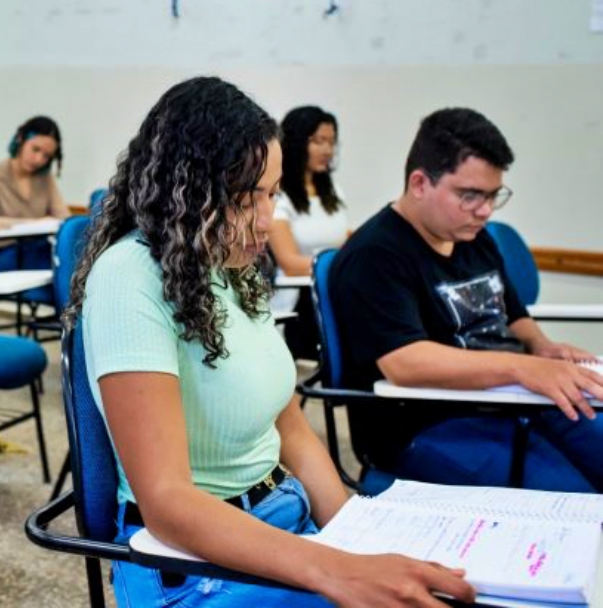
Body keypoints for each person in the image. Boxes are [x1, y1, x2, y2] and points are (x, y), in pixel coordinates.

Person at [64, 76, 475, 607]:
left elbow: (290, 425)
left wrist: (355, 534)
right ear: (184, 192)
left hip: (281, 522)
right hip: (190, 564)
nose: (266, 220)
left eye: (272, 193)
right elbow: (167, 502)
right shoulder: (129, 276)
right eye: (242, 198)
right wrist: (336, 570)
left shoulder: (229, 263)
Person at [330, 107, 603, 492]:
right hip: (429, 423)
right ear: (420, 183)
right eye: (470, 195)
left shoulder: (472, 236)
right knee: (579, 501)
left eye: (493, 196)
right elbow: (404, 363)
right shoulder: (375, 255)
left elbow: (512, 313)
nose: (485, 211)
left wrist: (542, 347)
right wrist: (520, 368)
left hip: (512, 400)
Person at [268, 106, 349, 360]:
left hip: (333, 286)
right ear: (296, 142)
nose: (327, 150)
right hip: (298, 298)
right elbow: (290, 263)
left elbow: (346, 238)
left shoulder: (332, 189)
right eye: (318, 141)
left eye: (331, 142)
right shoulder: (278, 193)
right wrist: (345, 264)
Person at [0, 115, 70, 274]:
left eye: (46, 156)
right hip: (2, 253)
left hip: (37, 251)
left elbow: (65, 219)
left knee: (67, 260)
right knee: (58, 268)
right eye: (35, 149)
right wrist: (32, 224)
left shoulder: (46, 179)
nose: (39, 159)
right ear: (20, 140)